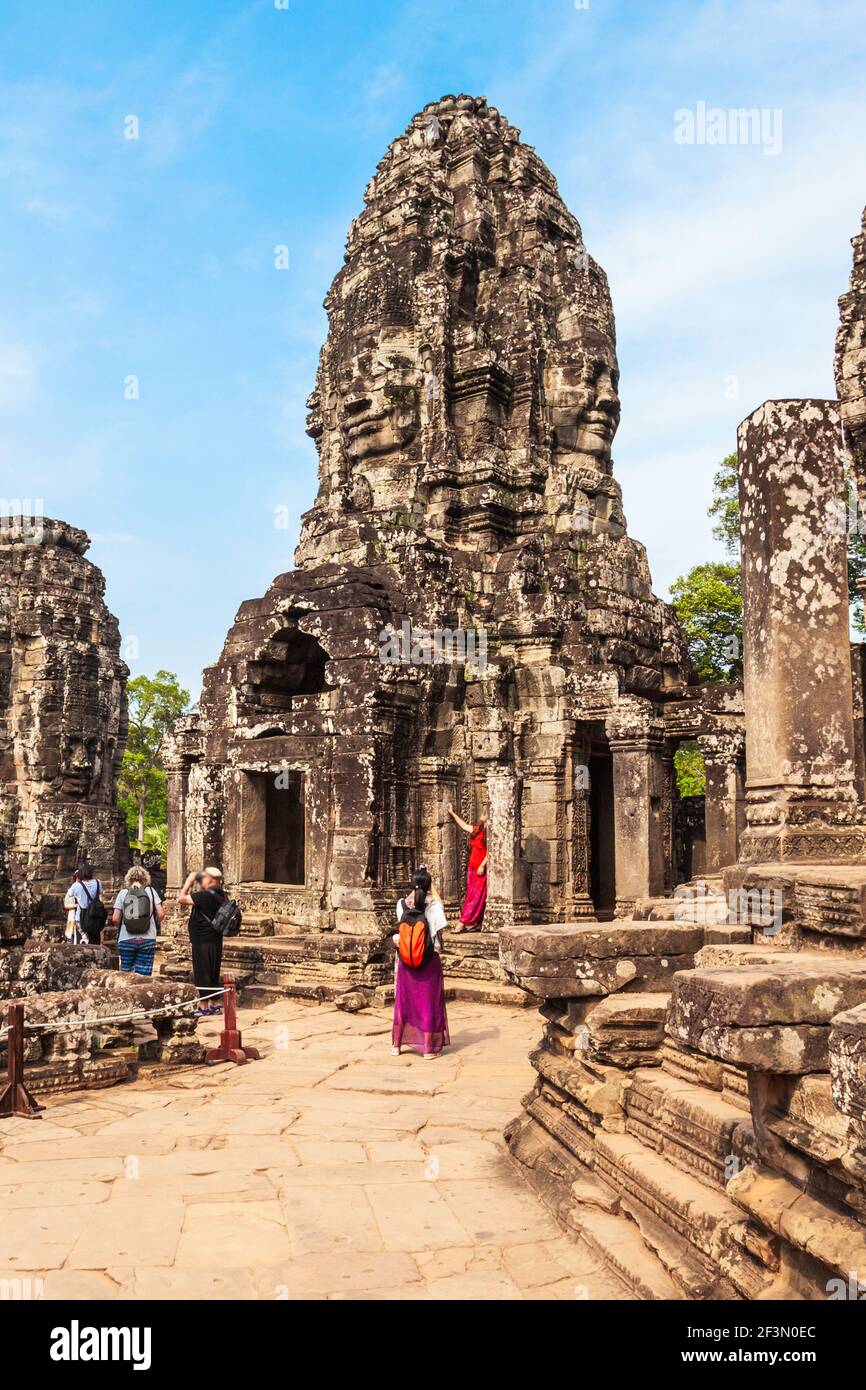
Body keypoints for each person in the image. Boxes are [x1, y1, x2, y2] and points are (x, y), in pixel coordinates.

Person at [390, 865, 449, 1060]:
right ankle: (428, 1048)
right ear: (429, 885)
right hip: (429, 960)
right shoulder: (434, 906)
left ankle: (396, 1045)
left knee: (404, 1002)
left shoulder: (401, 904)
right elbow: (438, 935)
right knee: (428, 1002)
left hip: (406, 959)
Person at [178, 867, 227, 1015]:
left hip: (202, 939)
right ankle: (213, 1003)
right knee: (213, 970)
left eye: (203, 878)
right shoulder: (221, 894)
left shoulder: (205, 895)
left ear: (211, 879)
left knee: (202, 971)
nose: (201, 881)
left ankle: (203, 1007)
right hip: (215, 937)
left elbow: (181, 899)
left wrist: (189, 881)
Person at [112, 865, 164, 977]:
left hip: (126, 938)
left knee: (125, 975)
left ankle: (126, 994)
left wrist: (122, 927)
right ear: (145, 878)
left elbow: (115, 918)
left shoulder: (123, 893)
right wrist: (153, 924)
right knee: (144, 976)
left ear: (128, 878)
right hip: (147, 938)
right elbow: (161, 913)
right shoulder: (151, 891)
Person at [446, 803, 488, 930]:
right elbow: (464, 826)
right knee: (473, 895)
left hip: (481, 869)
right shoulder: (478, 829)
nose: (482, 814)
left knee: (476, 897)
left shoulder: (490, 832)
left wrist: (482, 865)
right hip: (472, 867)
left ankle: (463, 922)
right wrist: (452, 813)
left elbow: (491, 851)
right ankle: (477, 923)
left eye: (485, 813)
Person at [66, 863, 107, 944]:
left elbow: (70, 894)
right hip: (95, 916)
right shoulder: (98, 882)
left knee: (82, 942)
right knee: (95, 941)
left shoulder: (76, 885)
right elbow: (100, 895)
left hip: (81, 917)